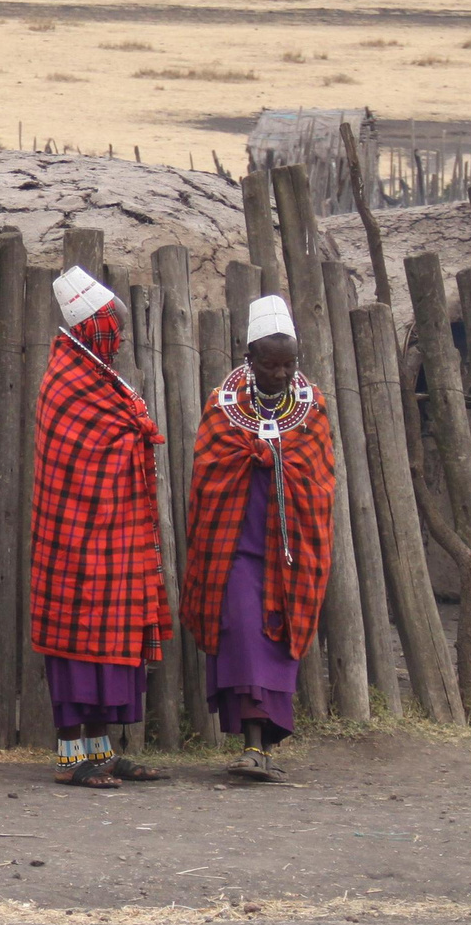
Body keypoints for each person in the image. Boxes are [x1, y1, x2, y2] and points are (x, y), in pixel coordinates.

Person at [181, 295, 336, 782]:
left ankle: (264, 746)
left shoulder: (311, 404)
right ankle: (252, 745)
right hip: (234, 545)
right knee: (244, 631)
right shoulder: (222, 403)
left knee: (276, 638)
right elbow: (207, 469)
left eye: (290, 364)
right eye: (271, 365)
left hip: (289, 550)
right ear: (249, 359)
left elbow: (320, 473)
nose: (282, 374)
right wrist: (250, 459)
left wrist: (281, 463)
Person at [29, 265, 172, 788]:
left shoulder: (98, 374)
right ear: (93, 326)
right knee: (76, 638)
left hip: (117, 534)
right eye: (114, 323)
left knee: (113, 638)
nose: (121, 333)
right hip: (75, 535)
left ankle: (103, 751)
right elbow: (81, 452)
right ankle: (73, 759)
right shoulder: (67, 380)